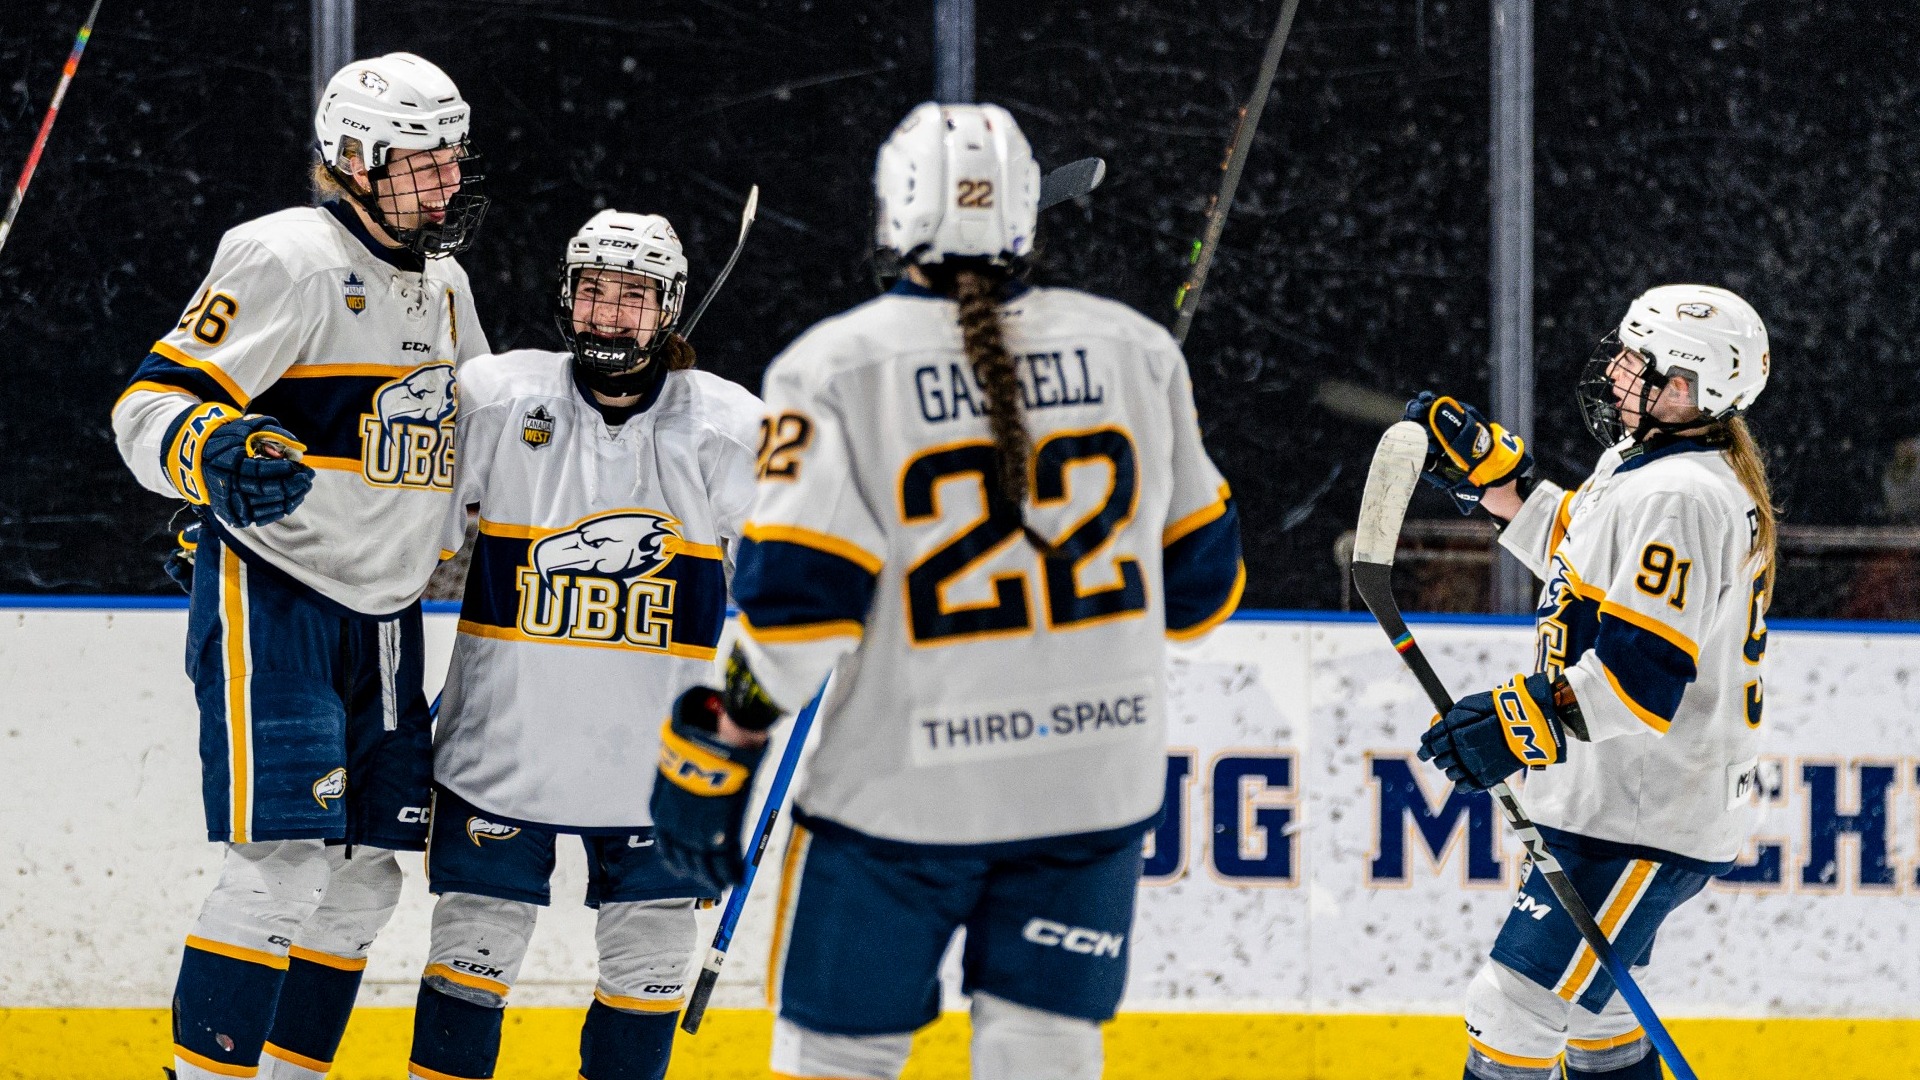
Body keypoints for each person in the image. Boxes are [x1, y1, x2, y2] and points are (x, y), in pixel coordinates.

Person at [645, 102, 1245, 1080]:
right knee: (1043, 1055)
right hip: (1089, 789)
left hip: (907, 800)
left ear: (895, 214)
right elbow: (1202, 597)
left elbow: (798, 619)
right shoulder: (1139, 350)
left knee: (838, 1058)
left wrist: (721, 737)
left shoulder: (836, 365)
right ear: (1025, 216)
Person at [109, 52, 490, 1080]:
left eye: (454, 155)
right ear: (356, 160)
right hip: (278, 598)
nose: (450, 179)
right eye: (425, 160)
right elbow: (148, 407)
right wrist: (210, 450)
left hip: (392, 619)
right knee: (281, 870)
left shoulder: (448, 285)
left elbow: (482, 450)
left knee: (366, 878)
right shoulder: (284, 256)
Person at [405, 210, 763, 1080]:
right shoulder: (494, 398)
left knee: (645, 978)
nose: (608, 315)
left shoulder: (730, 429)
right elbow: (403, 527)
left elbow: (816, 562)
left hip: (659, 774)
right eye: (593, 291)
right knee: (470, 958)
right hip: (501, 752)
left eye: (632, 297)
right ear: (566, 296)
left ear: (669, 308)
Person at [1407, 285, 1777, 1080]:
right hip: (1634, 802)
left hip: (1645, 816)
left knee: (1513, 1006)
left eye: (1637, 361)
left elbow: (1642, 679)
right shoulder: (1651, 467)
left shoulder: (1681, 496)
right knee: (1594, 1008)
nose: (1615, 370)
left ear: (1686, 387)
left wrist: (1517, 723)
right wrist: (1496, 482)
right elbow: (1586, 569)